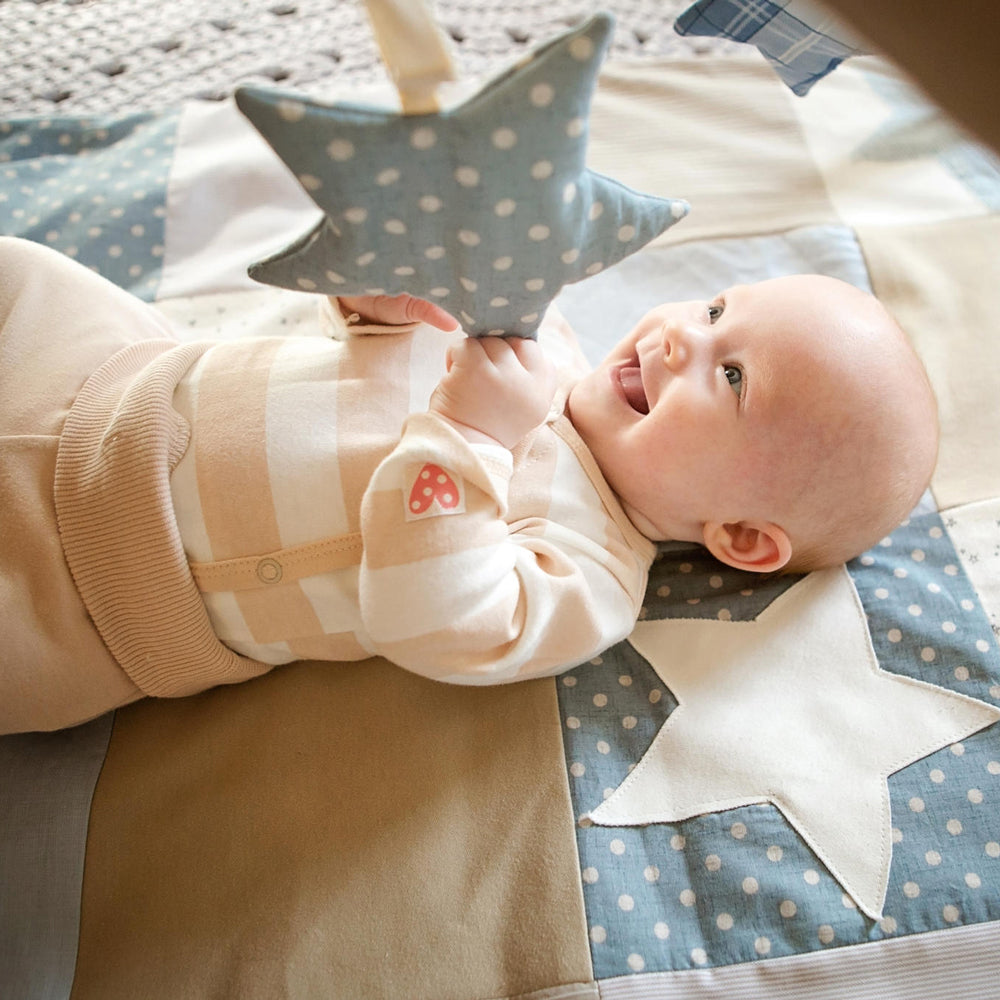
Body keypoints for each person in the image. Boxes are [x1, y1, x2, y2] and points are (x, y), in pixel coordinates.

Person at [0, 237, 937, 733]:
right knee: (21, 272)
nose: (681, 336)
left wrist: (473, 434)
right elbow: (356, 344)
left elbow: (429, 615)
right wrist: (378, 304)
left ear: (740, 536)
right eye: (715, 308)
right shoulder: (540, 339)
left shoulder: (587, 574)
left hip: (95, 581)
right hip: (116, 367)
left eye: (731, 376)